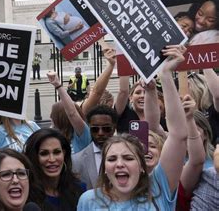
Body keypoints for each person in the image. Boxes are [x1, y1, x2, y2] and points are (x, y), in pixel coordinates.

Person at [77, 44, 188, 210]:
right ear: (105, 168)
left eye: (128, 158)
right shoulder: (88, 200)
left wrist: (165, 74)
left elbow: (178, 135)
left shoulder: (157, 190)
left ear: (142, 166)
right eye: (112, 159)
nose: (120, 164)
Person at [24, 128, 84, 210]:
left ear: (64, 153)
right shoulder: (25, 196)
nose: (52, 159)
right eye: (44, 153)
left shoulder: (79, 189)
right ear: (34, 157)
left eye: (57, 152)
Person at [72, 105, 118, 189]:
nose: (100, 133)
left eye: (106, 128)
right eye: (95, 129)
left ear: (114, 128)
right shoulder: (76, 161)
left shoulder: (128, 157)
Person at [47, 71, 91, 154]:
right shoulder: (52, 137)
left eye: (53, 114)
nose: (50, 117)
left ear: (61, 117)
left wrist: (58, 86)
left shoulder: (82, 134)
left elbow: (72, 113)